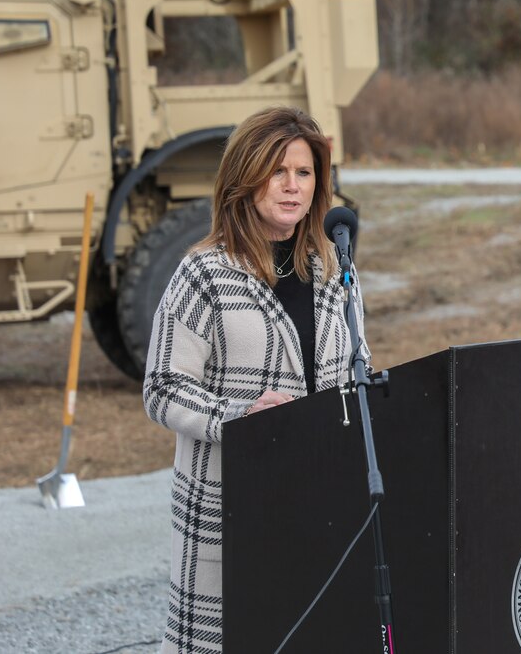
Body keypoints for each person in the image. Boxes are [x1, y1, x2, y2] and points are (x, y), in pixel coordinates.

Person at [143, 106, 367, 653]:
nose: (293, 187)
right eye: (278, 171)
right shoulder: (204, 274)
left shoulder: (335, 269)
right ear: (246, 177)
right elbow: (162, 387)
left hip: (319, 495)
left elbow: (357, 370)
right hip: (232, 499)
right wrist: (237, 418)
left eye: (305, 173)